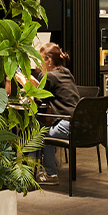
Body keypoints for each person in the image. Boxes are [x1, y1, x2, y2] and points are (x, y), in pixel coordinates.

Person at [25, 43, 79, 186]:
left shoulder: (49, 76)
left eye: (40, 59)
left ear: (49, 60)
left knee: (39, 133)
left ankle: (46, 173)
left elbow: (38, 100)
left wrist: (25, 83)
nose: (38, 64)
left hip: (67, 125)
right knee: (42, 126)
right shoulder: (66, 73)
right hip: (82, 125)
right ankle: (40, 170)